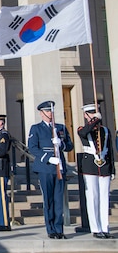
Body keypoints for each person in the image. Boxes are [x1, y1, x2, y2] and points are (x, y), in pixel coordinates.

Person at [28, 101, 74, 239]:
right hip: (45, 167)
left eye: (51, 111)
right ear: (41, 113)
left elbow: (70, 146)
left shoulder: (60, 127)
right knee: (48, 199)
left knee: (58, 199)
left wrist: (62, 144)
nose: (50, 114)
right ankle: (51, 229)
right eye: (47, 111)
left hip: (59, 167)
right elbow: (33, 147)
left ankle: (59, 229)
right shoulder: (36, 128)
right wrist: (48, 158)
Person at [77, 103, 115, 239]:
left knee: (104, 197)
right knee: (93, 197)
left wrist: (112, 169)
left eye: (95, 112)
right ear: (86, 115)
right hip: (90, 166)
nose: (94, 115)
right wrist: (94, 120)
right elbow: (84, 132)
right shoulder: (83, 128)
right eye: (91, 113)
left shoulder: (105, 130)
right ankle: (95, 228)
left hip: (104, 166)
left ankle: (105, 227)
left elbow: (110, 150)